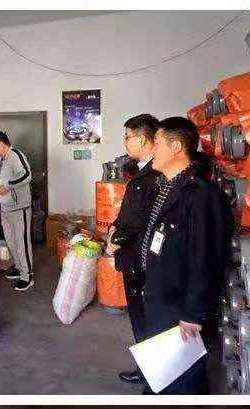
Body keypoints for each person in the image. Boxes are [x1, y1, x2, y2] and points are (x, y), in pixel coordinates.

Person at [140, 117, 229, 394]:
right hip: (160, 295)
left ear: (177, 146)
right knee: (164, 371)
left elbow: (206, 257)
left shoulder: (202, 195)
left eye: (157, 143)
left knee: (184, 378)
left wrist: (193, 313)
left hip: (180, 306)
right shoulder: (164, 186)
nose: (152, 150)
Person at [105, 114, 160, 385]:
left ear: (142, 139)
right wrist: (114, 228)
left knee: (144, 318)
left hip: (141, 258)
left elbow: (143, 219)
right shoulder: (142, 172)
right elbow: (129, 213)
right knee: (140, 317)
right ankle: (147, 368)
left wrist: (117, 238)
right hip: (132, 254)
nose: (125, 142)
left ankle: (151, 373)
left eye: (128, 137)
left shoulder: (154, 176)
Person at [0, 131, 34, 291]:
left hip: (19, 207)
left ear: (2, 144)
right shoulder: (0, 160)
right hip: (5, 208)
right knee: (10, 241)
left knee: (21, 242)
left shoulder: (15, 155)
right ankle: (19, 267)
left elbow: (27, 175)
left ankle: (27, 276)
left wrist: (8, 185)